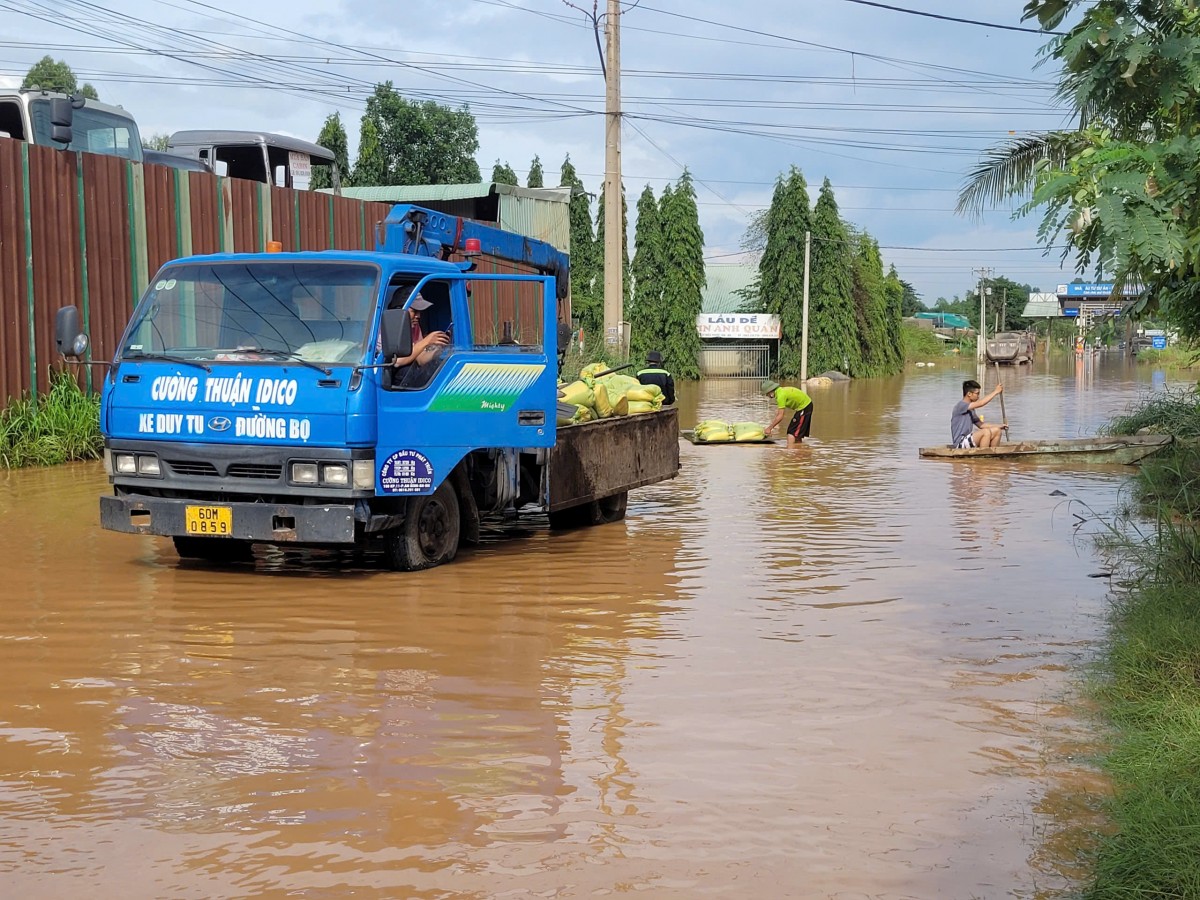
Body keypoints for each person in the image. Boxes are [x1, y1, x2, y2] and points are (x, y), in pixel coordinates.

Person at [387, 288, 449, 388]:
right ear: (399, 310)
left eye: (419, 312)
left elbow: (420, 359)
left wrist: (438, 349)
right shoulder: (384, 328)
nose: (418, 316)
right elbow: (397, 361)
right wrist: (427, 341)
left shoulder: (415, 327)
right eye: (414, 311)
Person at [950, 379, 1006, 448]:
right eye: (977, 393)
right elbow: (981, 403)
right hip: (960, 443)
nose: (978, 396)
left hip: (969, 439)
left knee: (997, 431)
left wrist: (999, 426)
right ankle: (984, 455)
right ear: (969, 394)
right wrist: (996, 392)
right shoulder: (961, 405)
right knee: (986, 432)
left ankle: (993, 453)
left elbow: (981, 425)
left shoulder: (971, 409)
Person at [761, 379, 813, 448]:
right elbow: (779, 412)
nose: (767, 396)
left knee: (791, 432)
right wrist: (774, 425)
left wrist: (769, 428)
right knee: (796, 434)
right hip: (805, 406)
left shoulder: (780, 395)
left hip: (805, 407)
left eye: (767, 394)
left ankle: (790, 452)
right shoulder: (780, 391)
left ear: (770, 391)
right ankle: (799, 450)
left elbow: (781, 415)